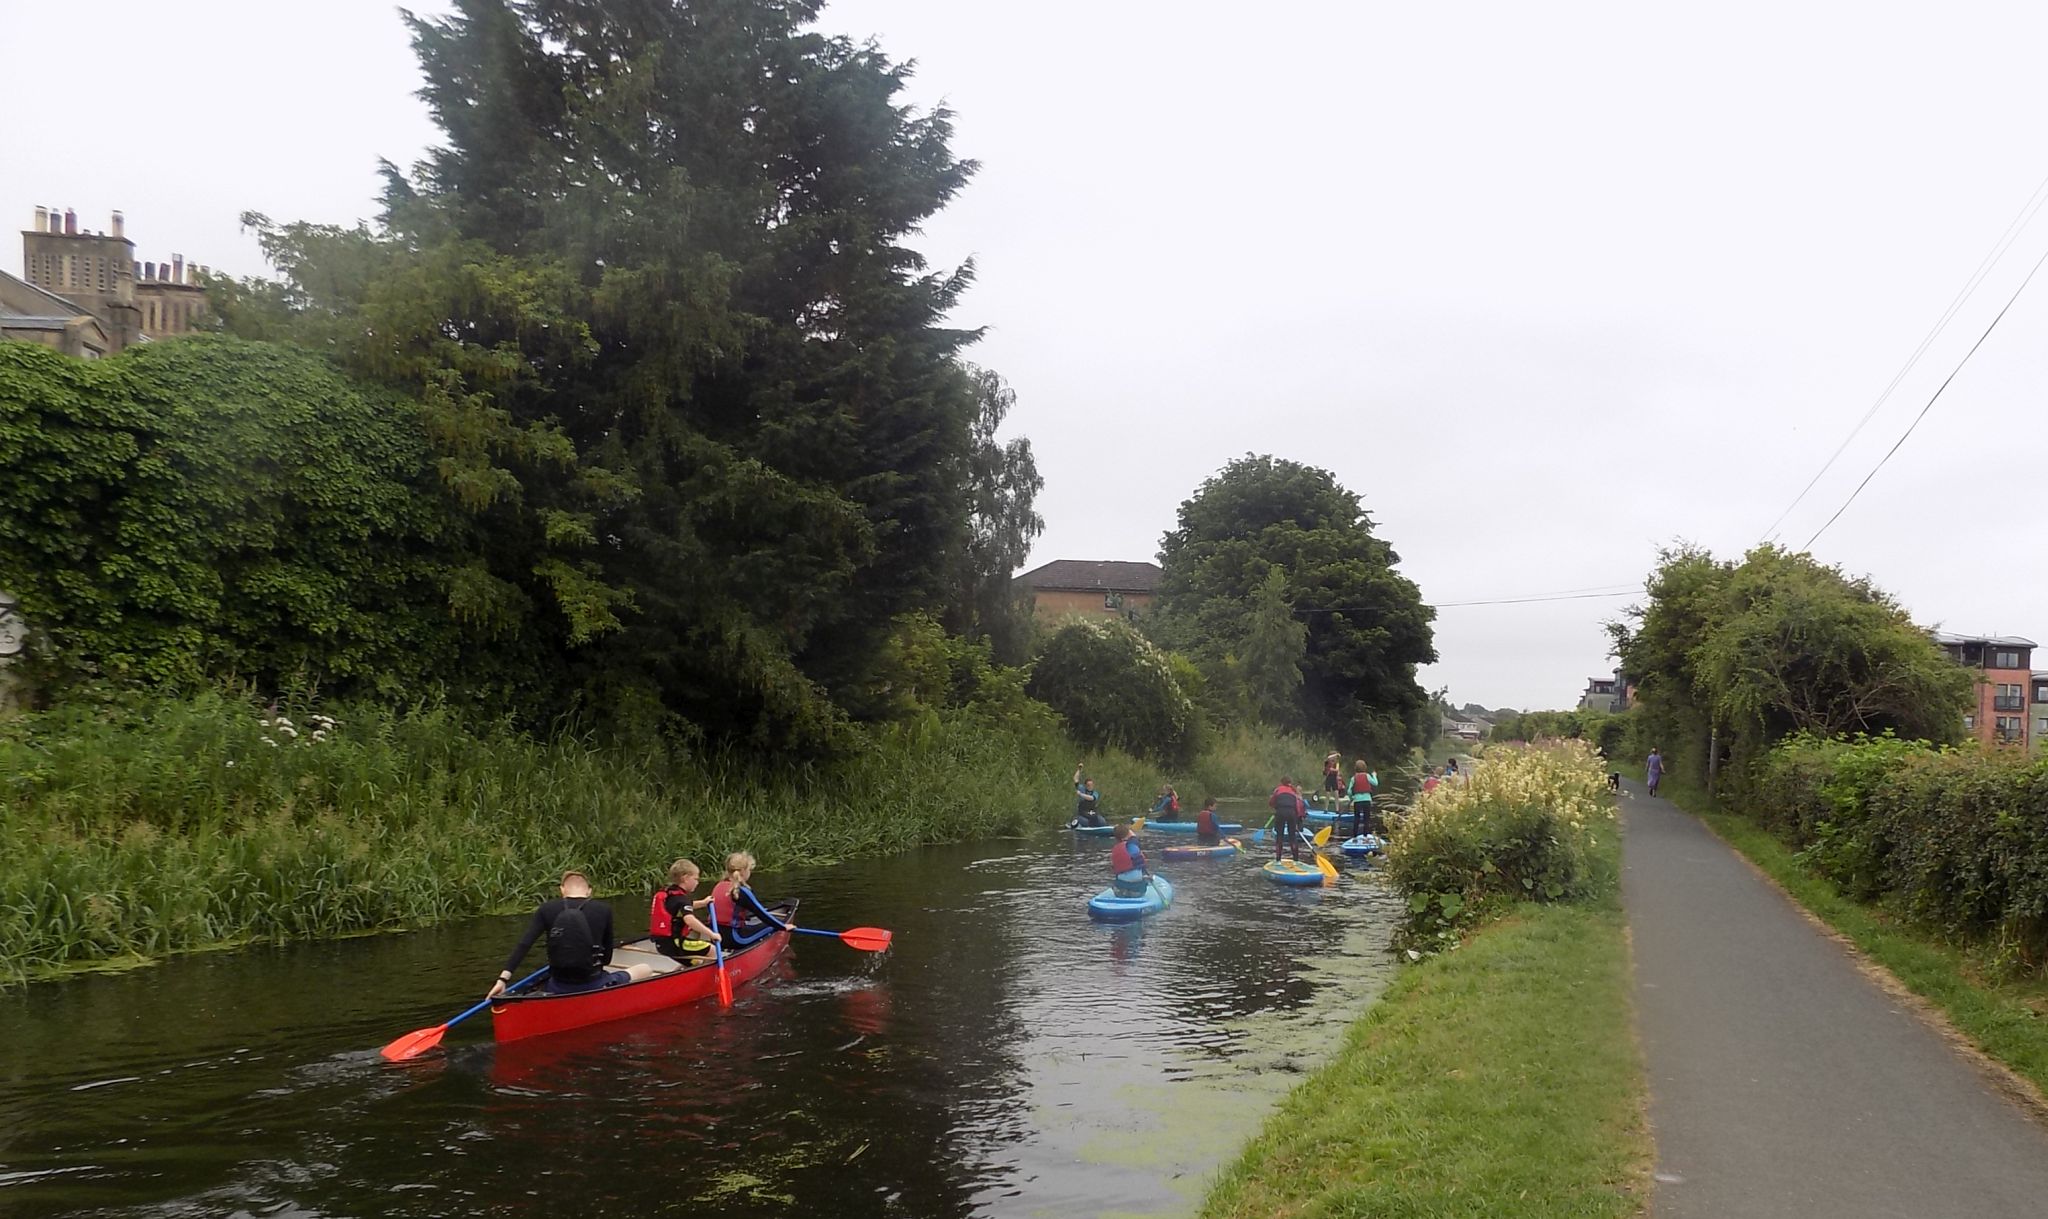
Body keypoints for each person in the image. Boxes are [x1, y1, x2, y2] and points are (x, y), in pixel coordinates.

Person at [488, 870, 655, 998]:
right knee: (645, 968)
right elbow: (607, 958)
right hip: (594, 982)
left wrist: (502, 980)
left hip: (557, 985)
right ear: (589, 891)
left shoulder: (547, 909)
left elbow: (524, 944)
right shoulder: (603, 909)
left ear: (562, 890)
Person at [709, 851, 797, 949]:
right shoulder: (741, 891)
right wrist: (784, 927)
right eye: (750, 870)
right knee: (771, 926)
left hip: (714, 936)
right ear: (743, 871)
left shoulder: (718, 886)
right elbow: (761, 913)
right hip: (735, 938)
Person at [648, 858, 718, 960]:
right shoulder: (681, 899)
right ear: (685, 878)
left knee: (696, 960)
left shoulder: (670, 893)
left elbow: (684, 906)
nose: (697, 883)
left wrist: (703, 903)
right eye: (695, 879)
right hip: (675, 944)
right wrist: (711, 934)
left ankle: (688, 971)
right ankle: (707, 975)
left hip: (662, 944)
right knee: (712, 950)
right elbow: (690, 920)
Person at [1269, 777, 1307, 862]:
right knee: (1292, 837)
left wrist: (1277, 807)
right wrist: (1297, 820)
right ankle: (1296, 860)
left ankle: (1278, 859)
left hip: (1280, 812)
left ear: (1281, 782)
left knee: (1279, 837)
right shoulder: (1293, 791)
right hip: (1291, 813)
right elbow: (1298, 807)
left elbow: (1271, 803)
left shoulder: (1278, 790)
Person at [1109, 823, 1151, 895]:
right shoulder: (1132, 845)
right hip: (1137, 889)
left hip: (1121, 888)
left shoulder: (1116, 849)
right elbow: (1134, 839)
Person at [1346, 759, 1378, 838]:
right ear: (1365, 768)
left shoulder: (1353, 778)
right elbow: (1375, 783)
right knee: (1366, 819)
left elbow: (1349, 791)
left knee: (1356, 818)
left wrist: (1352, 797)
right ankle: (1365, 836)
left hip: (1357, 800)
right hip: (1367, 800)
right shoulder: (1367, 776)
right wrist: (1374, 775)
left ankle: (1354, 836)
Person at [1070, 764, 1107, 829]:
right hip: (1082, 814)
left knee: (1102, 822)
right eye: (1088, 785)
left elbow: (1091, 798)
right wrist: (1079, 769)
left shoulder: (1095, 793)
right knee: (1085, 823)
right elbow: (1075, 779)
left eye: (1091, 785)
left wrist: (1080, 794)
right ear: (1085, 785)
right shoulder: (1081, 788)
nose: (1090, 787)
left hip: (1093, 814)